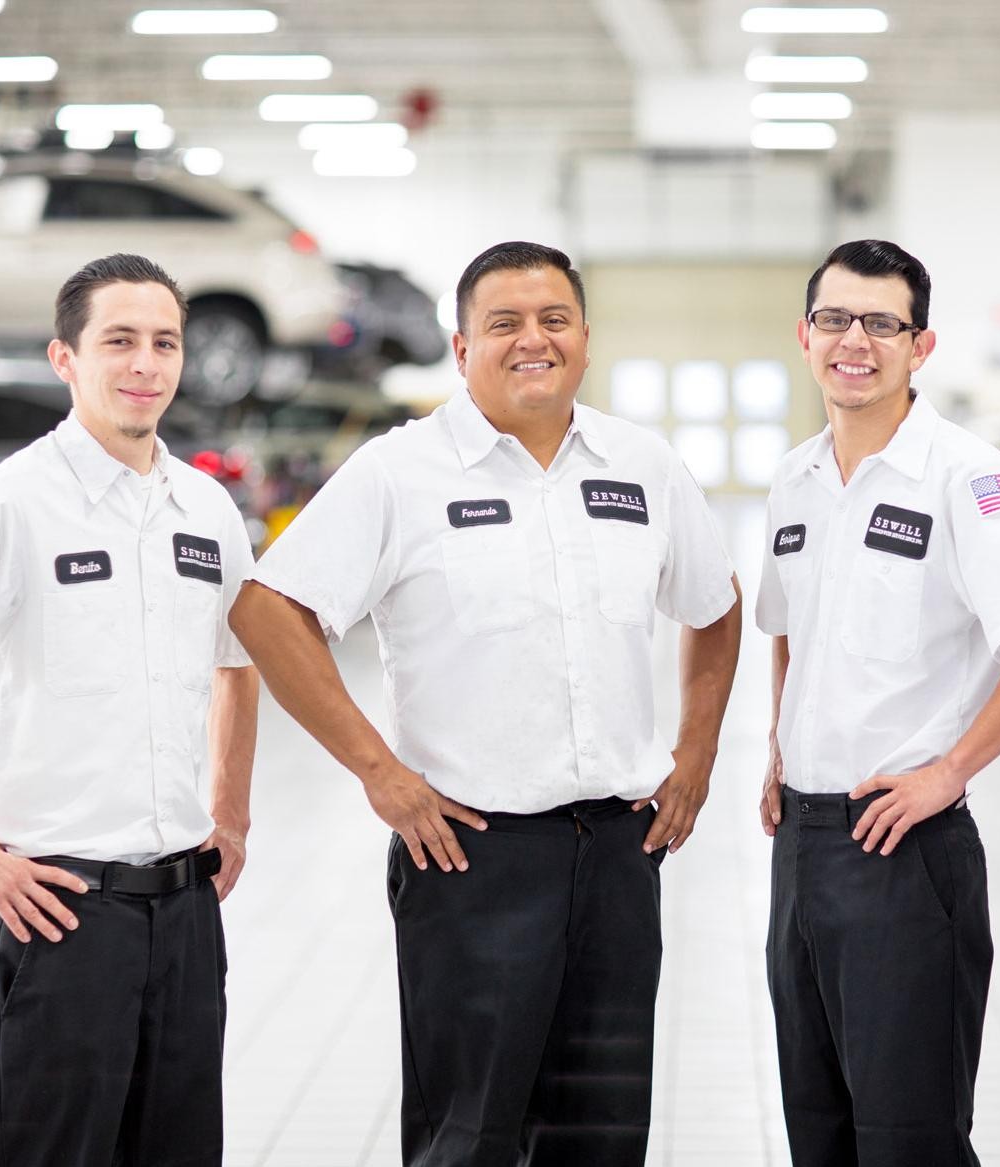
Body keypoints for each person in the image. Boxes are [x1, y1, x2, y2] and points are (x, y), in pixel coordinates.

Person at [228, 240, 742, 1166]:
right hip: (473, 856)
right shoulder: (401, 471)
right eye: (503, 322)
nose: (532, 339)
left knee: (604, 1130)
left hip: (622, 856)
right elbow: (269, 610)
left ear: (585, 337)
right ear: (462, 349)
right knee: (468, 1135)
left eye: (554, 319)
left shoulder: (643, 464)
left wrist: (696, 754)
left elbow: (715, 605)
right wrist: (379, 772)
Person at [0, 252, 259, 1166]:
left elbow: (238, 661)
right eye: (119, 340)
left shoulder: (204, 507)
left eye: (164, 342)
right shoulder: (12, 502)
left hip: (184, 913)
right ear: (66, 358)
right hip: (60, 913)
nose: (145, 363)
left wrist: (233, 814)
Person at [755, 239, 1000, 1165]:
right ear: (805, 334)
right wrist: (779, 750)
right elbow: (789, 624)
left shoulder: (965, 476)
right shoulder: (796, 477)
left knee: (909, 1138)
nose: (854, 340)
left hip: (904, 851)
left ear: (922, 344)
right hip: (803, 849)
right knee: (818, 1127)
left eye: (881, 322)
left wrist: (951, 770)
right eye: (835, 319)